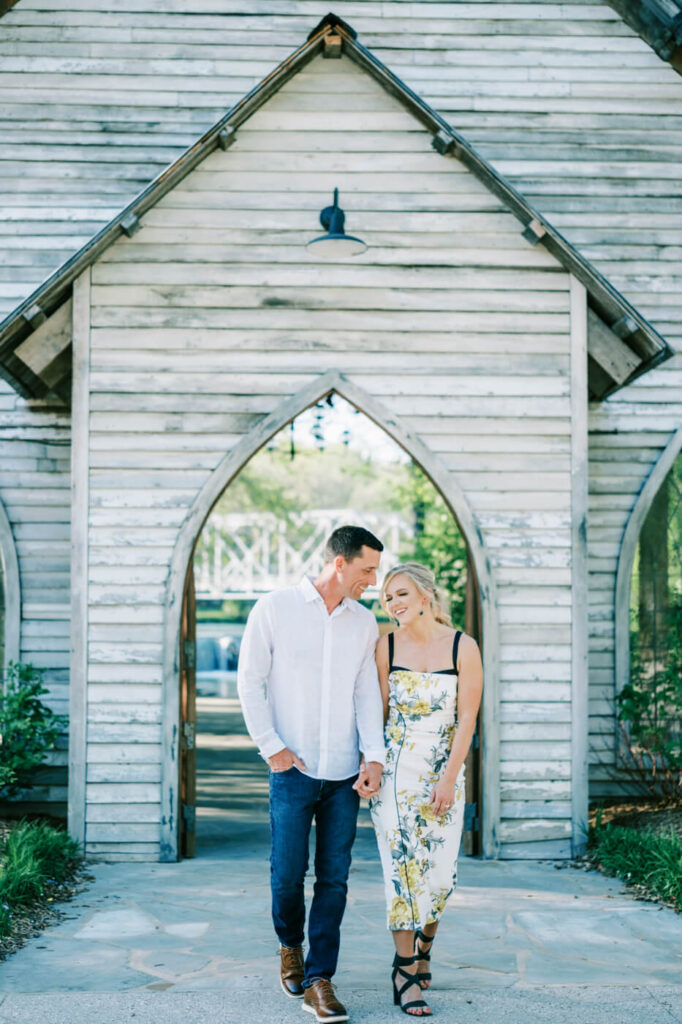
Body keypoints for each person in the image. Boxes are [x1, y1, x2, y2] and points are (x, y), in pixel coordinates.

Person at [237, 525, 386, 1024]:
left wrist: (374, 757)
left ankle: (320, 979)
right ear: (339, 563)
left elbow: (366, 693)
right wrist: (272, 748)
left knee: (335, 879)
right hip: (293, 770)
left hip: (345, 773)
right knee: (286, 875)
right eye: (367, 569)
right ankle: (289, 946)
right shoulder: (274, 608)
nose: (373, 580)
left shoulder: (364, 624)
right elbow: (249, 681)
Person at [367, 562, 483, 1017]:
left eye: (400, 595)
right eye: (387, 598)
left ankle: (424, 946)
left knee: (438, 874)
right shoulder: (385, 646)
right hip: (395, 775)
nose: (393, 605)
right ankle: (404, 969)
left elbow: (467, 718)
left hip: (444, 772)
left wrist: (450, 777)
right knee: (402, 870)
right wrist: (371, 765)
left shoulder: (463, 646)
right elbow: (376, 716)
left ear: (426, 596)